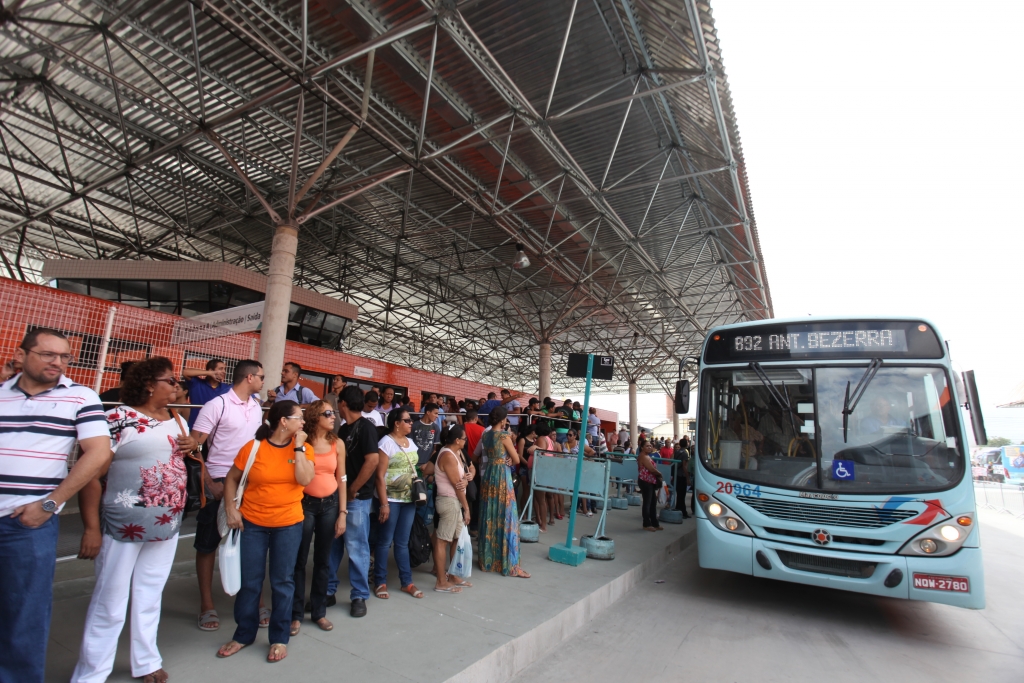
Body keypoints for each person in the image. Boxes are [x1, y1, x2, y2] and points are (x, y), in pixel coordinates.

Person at [71, 358, 198, 683]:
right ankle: (91, 674)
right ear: (148, 384)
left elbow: (180, 457)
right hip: (123, 526)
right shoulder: (117, 418)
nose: (177, 386)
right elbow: (90, 475)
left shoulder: (177, 420)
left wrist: (192, 444)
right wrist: (91, 527)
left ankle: (146, 661)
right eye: (170, 380)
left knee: (149, 595)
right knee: (110, 601)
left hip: (166, 526)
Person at [0, 328, 111, 683]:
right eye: (49, 355)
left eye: (64, 357)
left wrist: (50, 504)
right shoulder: (1, 396)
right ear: (22, 355)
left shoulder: (79, 397)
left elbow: (98, 454)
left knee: (24, 618)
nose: (58, 363)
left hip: (26, 524)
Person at [216, 400, 315, 664]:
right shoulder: (253, 448)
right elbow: (232, 478)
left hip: (289, 523)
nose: (303, 422)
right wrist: (230, 508)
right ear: (284, 421)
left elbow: (305, 480)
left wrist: (298, 446)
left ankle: (279, 638)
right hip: (253, 523)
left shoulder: (304, 448)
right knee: (250, 581)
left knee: (283, 582)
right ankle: (244, 634)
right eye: (299, 417)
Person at [189, 359, 266, 633]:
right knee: (208, 542)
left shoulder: (256, 406)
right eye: (261, 377)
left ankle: (254, 600)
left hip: (250, 482)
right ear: (248, 378)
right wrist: (209, 481)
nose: (263, 381)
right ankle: (206, 604)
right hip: (220, 480)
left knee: (251, 542)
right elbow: (193, 446)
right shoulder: (217, 405)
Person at [290, 400, 346, 636]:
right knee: (299, 560)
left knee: (323, 560)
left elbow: (342, 478)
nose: (333, 416)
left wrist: (343, 512)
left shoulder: (337, 443)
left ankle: (319, 612)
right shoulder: (303, 442)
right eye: (328, 413)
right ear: (315, 416)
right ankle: (295, 615)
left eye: (333, 413)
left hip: (330, 504)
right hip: (305, 504)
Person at [326, 386, 379, 618]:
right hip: (340, 496)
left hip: (357, 498)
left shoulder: (366, 427)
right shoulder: (344, 429)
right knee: (332, 545)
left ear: (343, 404)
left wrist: (354, 489)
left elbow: (373, 460)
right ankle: (328, 590)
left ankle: (359, 595)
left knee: (357, 547)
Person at [372, 408, 425, 599]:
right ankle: (380, 581)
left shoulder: (410, 443)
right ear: (396, 423)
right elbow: (379, 475)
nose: (411, 423)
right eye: (407, 420)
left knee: (402, 542)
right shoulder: (386, 443)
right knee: (384, 542)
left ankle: (407, 582)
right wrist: (384, 503)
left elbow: (417, 468)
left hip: (409, 499)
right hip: (391, 500)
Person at [478, 407, 530, 578]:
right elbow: (515, 459)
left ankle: (489, 560)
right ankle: (510, 564)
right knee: (507, 517)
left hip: (489, 476)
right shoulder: (504, 436)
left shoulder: (485, 435)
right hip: (502, 476)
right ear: (502, 420)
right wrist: (508, 458)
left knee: (490, 516)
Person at [433, 425, 472, 592]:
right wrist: (467, 508)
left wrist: (467, 480)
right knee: (443, 541)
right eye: (464, 439)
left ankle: (453, 574)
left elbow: (461, 480)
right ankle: (441, 581)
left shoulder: (454, 453)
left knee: (456, 538)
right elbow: (457, 485)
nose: (466, 441)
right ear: (457, 440)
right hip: (449, 501)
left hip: (454, 501)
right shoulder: (448, 455)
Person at [182, 358, 231, 429]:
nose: (224, 372)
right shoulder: (197, 384)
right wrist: (209, 373)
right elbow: (185, 372)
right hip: (196, 428)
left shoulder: (226, 388)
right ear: (211, 370)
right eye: (220, 369)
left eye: (224, 369)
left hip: (216, 431)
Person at [564, 430, 596, 516]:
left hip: (578, 468)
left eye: (570, 435)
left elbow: (592, 452)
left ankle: (585, 509)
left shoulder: (579, 444)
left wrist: (583, 457)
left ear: (575, 436)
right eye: (567, 435)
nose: (568, 436)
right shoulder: (564, 444)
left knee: (582, 489)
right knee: (571, 489)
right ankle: (574, 508)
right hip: (568, 469)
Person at [637, 438, 663, 531]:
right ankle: (646, 524)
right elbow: (651, 469)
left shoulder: (646, 456)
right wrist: (660, 474)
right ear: (642, 447)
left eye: (650, 446)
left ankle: (654, 523)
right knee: (648, 503)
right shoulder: (643, 456)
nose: (649, 447)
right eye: (647, 446)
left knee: (652, 502)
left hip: (650, 482)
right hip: (645, 482)